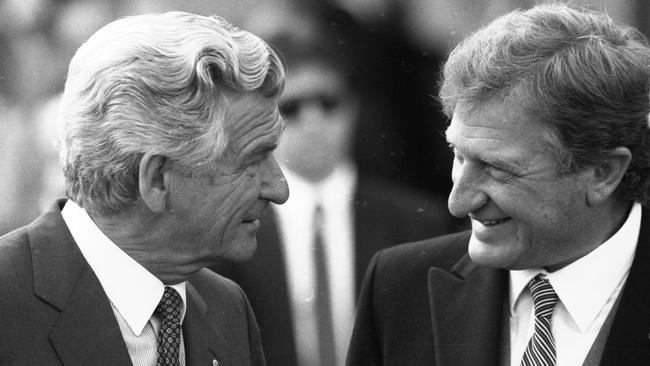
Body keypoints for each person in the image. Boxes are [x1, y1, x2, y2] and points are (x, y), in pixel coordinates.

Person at [347, 3, 650, 366]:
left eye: (496, 168)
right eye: (458, 156)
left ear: (603, 172)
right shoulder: (399, 289)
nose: (458, 203)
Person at [0, 11, 288, 366]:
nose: (279, 188)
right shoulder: (7, 300)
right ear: (156, 179)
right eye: (251, 161)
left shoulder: (227, 308)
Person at [212, 4, 455, 366]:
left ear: (352, 108)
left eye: (328, 103)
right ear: (266, 119)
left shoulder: (419, 221)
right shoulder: (232, 224)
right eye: (292, 107)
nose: (314, 121)